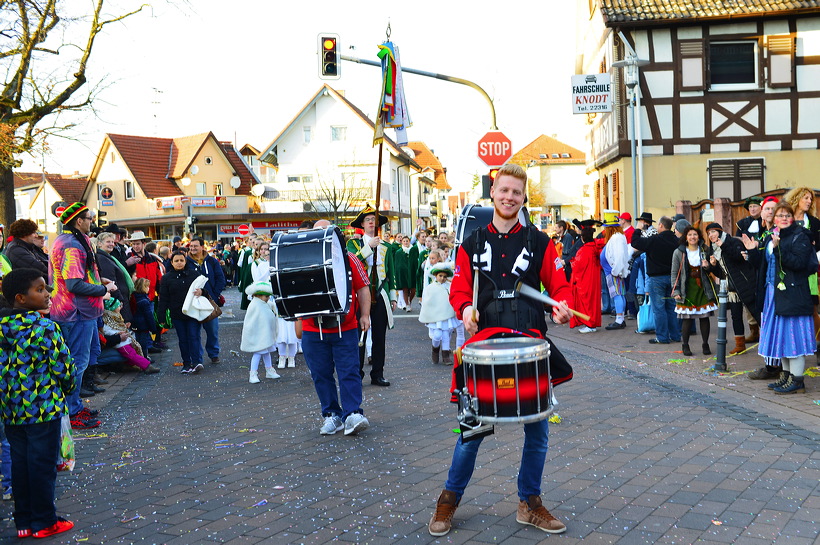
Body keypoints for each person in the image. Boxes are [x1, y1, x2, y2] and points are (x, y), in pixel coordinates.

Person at [429, 163, 573, 537]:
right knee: (471, 431)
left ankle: (530, 503)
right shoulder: (473, 243)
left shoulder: (540, 241)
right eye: (504, 190)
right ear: (492, 192)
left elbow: (559, 286)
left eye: (517, 193)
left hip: (529, 344)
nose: (510, 197)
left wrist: (560, 306)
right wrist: (465, 309)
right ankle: (448, 500)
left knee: (538, 432)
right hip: (485, 348)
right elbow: (459, 288)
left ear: (523, 198)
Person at [0, 268, 76, 538]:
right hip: (44, 408)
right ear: (21, 298)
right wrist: (67, 389)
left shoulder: (2, 329)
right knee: (42, 466)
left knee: (20, 464)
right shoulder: (44, 327)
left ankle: (23, 521)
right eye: (40, 289)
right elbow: (63, 367)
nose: (47, 293)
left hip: (11, 410)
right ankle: (44, 521)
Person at [300, 219, 372, 436]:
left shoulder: (349, 258)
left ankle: (352, 413)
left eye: (325, 230)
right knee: (320, 374)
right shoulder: (303, 258)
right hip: (313, 328)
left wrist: (365, 315)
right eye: (317, 231)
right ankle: (332, 415)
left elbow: (363, 288)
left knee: (349, 371)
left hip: (346, 326)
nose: (321, 235)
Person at [741, 202, 818, 394]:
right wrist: (752, 251)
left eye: (787, 215)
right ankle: (786, 376)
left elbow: (799, 264)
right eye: (780, 215)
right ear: (774, 219)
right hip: (773, 296)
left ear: (792, 218)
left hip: (793, 296)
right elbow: (764, 265)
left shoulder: (799, 236)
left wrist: (778, 248)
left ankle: (797, 381)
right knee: (781, 338)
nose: (784, 218)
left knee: (794, 338)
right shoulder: (772, 236)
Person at [50, 202, 114, 429]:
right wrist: (102, 290)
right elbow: (73, 283)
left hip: (81, 311)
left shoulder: (77, 239)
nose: (92, 221)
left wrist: (99, 281)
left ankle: (74, 404)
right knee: (77, 362)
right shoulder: (71, 245)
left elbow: (83, 275)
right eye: (89, 218)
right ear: (79, 221)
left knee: (80, 360)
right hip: (74, 313)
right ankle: (71, 409)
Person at [347, 204, 396, 387]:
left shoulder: (387, 247)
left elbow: (391, 274)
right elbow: (352, 262)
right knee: (359, 335)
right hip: (361, 295)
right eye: (368, 220)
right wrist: (368, 247)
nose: (371, 223)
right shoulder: (353, 244)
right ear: (362, 224)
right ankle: (357, 373)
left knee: (379, 337)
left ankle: (378, 373)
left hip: (381, 293)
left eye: (373, 220)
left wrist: (392, 297)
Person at [703, 222, 756, 355]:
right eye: (709, 233)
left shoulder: (732, 242)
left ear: (720, 232)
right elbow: (721, 274)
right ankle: (740, 345)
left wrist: (724, 246)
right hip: (731, 287)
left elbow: (738, 257)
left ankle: (769, 340)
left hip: (744, 283)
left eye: (713, 232)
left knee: (756, 312)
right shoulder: (713, 249)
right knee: (735, 316)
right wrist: (711, 267)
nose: (711, 235)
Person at [631, 216, 681, 345]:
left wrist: (638, 229)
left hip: (656, 279)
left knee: (659, 309)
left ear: (661, 226)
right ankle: (675, 335)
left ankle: (662, 337)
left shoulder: (654, 240)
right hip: (672, 278)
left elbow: (635, 242)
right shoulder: (676, 241)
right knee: (671, 307)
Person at [671, 225, 717, 356]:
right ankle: (685, 345)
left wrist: (709, 266)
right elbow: (674, 273)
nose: (692, 237)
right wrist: (676, 291)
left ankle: (705, 344)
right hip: (686, 288)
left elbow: (712, 269)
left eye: (695, 235)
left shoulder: (705, 250)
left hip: (702, 287)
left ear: (699, 237)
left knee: (704, 317)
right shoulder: (679, 252)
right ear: (686, 237)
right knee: (687, 319)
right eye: (690, 235)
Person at [158, 252, 205, 374]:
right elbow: (163, 298)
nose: (179, 263)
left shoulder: (194, 274)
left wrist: (202, 291)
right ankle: (186, 363)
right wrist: (161, 315)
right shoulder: (167, 278)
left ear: (185, 261)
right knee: (183, 339)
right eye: (176, 261)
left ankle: (196, 362)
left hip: (192, 312)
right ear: (172, 262)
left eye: (181, 260)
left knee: (194, 336)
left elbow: (205, 289)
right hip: (177, 313)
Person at [186, 238, 225, 364]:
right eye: (191, 246)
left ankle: (214, 353)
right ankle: (198, 357)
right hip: (193, 301)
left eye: (195, 246)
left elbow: (220, 279)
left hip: (209, 301)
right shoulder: (186, 262)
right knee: (194, 332)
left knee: (212, 330)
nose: (192, 248)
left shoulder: (212, 261)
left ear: (203, 247)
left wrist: (213, 295)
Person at [100, 296, 158, 373]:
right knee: (131, 354)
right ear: (113, 308)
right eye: (118, 306)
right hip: (120, 343)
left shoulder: (115, 316)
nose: (120, 307)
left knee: (132, 353)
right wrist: (117, 333)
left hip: (123, 341)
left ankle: (128, 366)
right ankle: (146, 366)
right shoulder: (107, 319)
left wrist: (124, 326)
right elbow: (107, 330)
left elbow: (117, 326)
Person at [240, 280, 280, 384]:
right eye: (266, 297)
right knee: (258, 353)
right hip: (258, 335)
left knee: (266, 352)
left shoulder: (262, 304)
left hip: (264, 334)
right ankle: (253, 373)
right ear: (259, 295)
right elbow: (253, 321)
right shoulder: (255, 305)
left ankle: (269, 369)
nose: (268, 299)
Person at [419, 265, 459, 363]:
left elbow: (452, 299)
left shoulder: (449, 287)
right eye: (440, 276)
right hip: (435, 317)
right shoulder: (430, 288)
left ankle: (446, 356)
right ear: (436, 276)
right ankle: (435, 350)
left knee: (446, 335)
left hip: (446, 315)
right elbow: (427, 302)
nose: (442, 278)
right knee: (437, 335)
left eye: (445, 276)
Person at [95, 231, 134, 324]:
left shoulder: (108, 257)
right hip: (116, 303)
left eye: (112, 242)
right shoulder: (102, 259)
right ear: (99, 243)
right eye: (108, 242)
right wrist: (119, 301)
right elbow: (111, 282)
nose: (111, 244)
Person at [600, 211, 630, 330]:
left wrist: (615, 271)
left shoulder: (616, 238)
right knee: (619, 294)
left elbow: (619, 255)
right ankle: (620, 318)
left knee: (617, 295)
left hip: (613, 272)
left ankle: (619, 319)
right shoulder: (617, 237)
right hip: (612, 271)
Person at [570, 226, 602, 333]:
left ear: (582, 238)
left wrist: (571, 262)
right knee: (593, 302)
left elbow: (577, 265)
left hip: (585, 281)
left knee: (587, 302)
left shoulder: (583, 250)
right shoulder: (595, 248)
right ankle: (592, 323)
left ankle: (590, 324)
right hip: (594, 279)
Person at [124, 231, 163, 302]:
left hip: (151, 297)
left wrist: (160, 292)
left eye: (138, 244)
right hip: (136, 299)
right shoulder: (129, 259)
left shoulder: (152, 259)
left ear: (144, 243)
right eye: (133, 244)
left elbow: (158, 277)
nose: (135, 246)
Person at [132, 278, 161, 364]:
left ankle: (141, 357)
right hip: (143, 325)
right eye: (147, 287)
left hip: (136, 324)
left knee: (138, 342)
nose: (149, 288)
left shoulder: (134, 298)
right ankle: (144, 359)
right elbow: (149, 316)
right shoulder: (144, 301)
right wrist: (153, 328)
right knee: (143, 344)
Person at [393, 235, 417, 312]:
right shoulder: (399, 252)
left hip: (412, 272)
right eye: (404, 241)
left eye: (407, 241)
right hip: (403, 273)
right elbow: (397, 264)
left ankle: (410, 301)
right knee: (405, 289)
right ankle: (407, 304)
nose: (406, 242)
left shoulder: (413, 250)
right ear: (402, 243)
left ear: (409, 241)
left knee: (413, 289)